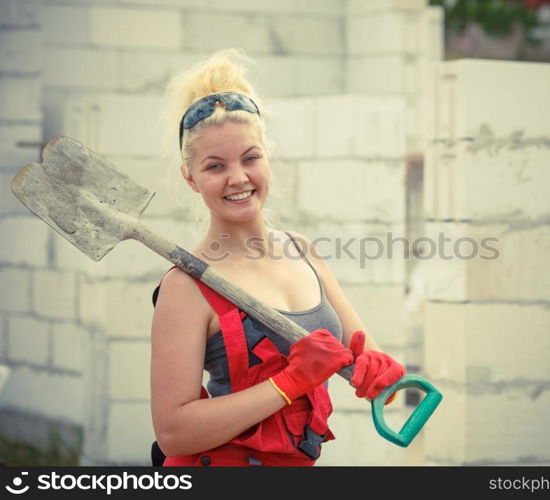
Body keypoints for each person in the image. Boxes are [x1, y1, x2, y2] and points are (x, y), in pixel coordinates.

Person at [149, 49, 406, 467]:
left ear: (268, 156)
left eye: (251, 158)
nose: (238, 177)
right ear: (189, 177)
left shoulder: (302, 253)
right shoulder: (186, 286)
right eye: (215, 166)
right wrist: (290, 383)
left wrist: (382, 374)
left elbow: (383, 380)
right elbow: (174, 433)